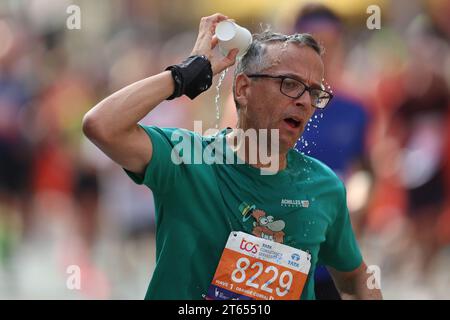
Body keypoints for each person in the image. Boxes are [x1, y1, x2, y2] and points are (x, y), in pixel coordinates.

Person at [82, 13, 382, 300]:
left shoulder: (324, 186)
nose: (304, 101)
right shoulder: (187, 159)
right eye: (290, 84)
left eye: (314, 93)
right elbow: (102, 126)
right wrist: (187, 73)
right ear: (242, 89)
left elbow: (355, 278)